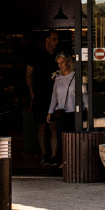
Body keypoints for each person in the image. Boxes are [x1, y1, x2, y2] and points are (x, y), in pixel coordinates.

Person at [26, 30, 60, 165]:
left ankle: (54, 156)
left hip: (55, 97)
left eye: (57, 39)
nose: (57, 42)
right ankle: (44, 154)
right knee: (42, 126)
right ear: (47, 40)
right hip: (40, 96)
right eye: (54, 39)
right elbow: (28, 75)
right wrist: (32, 94)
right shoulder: (37, 55)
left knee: (53, 125)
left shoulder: (59, 56)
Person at [47, 52, 81, 156]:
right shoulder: (58, 78)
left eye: (62, 62)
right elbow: (54, 97)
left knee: (75, 137)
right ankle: (65, 159)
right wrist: (50, 111)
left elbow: (83, 92)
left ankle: (74, 159)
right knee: (62, 137)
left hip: (74, 111)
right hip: (62, 112)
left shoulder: (76, 76)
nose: (60, 65)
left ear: (69, 63)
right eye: (58, 63)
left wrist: (87, 107)